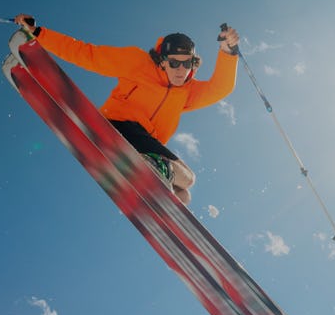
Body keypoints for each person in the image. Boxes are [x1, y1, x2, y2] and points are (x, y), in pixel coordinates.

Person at [14, 15, 240, 204]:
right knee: (188, 178)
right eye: (174, 63)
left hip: (145, 144)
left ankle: (151, 185)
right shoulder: (138, 63)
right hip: (120, 125)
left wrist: (228, 52)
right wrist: (39, 33)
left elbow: (220, 88)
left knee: (183, 195)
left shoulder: (187, 91)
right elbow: (87, 54)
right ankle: (149, 167)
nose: (181, 70)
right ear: (162, 61)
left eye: (187, 63)